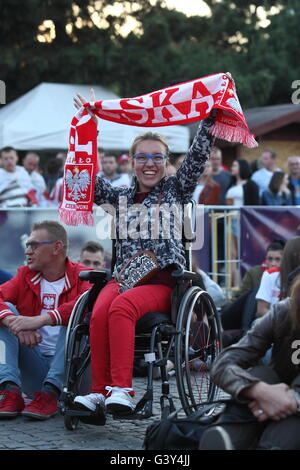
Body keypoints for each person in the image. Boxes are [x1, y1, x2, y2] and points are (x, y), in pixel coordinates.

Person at [72, 88, 217, 418]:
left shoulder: (175, 189)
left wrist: (211, 116)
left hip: (165, 282)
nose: (149, 164)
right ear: (132, 161)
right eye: (142, 157)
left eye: (157, 158)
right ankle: (97, 392)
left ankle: (122, 388)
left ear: (166, 163)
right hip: (125, 277)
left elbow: (197, 157)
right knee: (97, 311)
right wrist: (85, 126)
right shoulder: (119, 195)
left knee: (120, 306)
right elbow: (85, 178)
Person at [0, 221, 90, 420]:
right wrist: (14, 324)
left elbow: (90, 306)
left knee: (77, 312)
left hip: (75, 376)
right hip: (37, 371)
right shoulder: (25, 275)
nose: (28, 251)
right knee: (6, 314)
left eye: (34, 245)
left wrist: (40, 320)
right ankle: (10, 390)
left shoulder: (82, 275)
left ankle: (52, 392)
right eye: (27, 246)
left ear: (57, 247)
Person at [199, 274, 300, 450]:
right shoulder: (283, 313)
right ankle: (227, 439)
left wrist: (293, 400)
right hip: (268, 401)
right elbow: (224, 363)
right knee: (262, 374)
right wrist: (258, 390)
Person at [256, 236, 300, 317]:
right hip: (275, 325)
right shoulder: (270, 274)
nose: (273, 263)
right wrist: (280, 321)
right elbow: (261, 310)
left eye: (277, 259)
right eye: (270, 259)